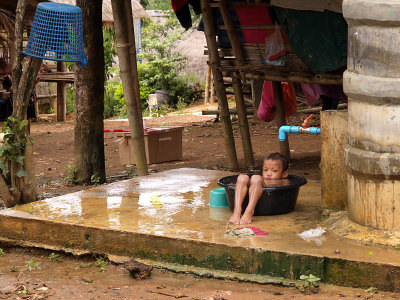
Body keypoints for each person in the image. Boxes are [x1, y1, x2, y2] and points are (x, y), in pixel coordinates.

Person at [228, 152, 289, 224]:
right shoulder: (261, 178)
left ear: (284, 174)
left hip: (267, 196)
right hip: (257, 183)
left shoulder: (284, 182)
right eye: (265, 170)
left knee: (256, 178)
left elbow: (287, 190)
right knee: (242, 177)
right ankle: (237, 211)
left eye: (274, 171)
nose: (268, 174)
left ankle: (249, 211)